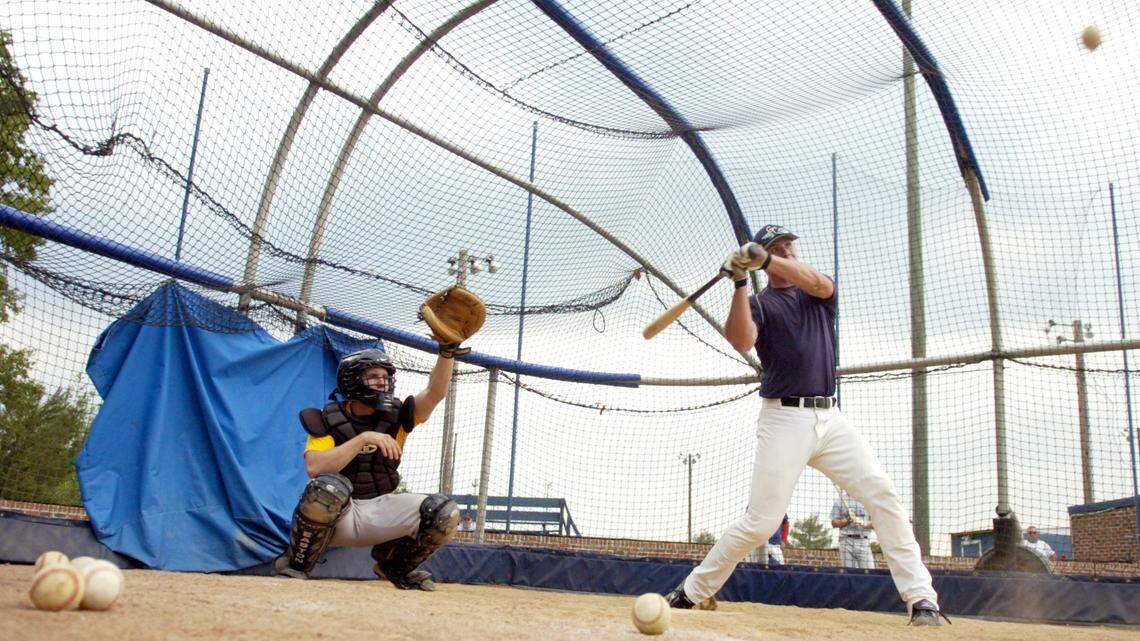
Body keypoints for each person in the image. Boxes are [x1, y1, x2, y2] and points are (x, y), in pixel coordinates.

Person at [663, 225, 946, 626]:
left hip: (830, 418)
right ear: (762, 263)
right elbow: (741, 340)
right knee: (761, 523)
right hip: (784, 419)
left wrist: (763, 258)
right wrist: (740, 282)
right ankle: (691, 592)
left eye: (789, 246)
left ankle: (922, 600)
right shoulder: (760, 304)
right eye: (777, 249)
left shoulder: (816, 292)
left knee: (883, 495)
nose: (788, 253)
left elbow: (816, 281)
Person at [273, 346, 461, 591]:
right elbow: (315, 467)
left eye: (385, 377)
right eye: (373, 376)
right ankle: (297, 564)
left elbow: (435, 393)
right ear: (351, 381)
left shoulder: (399, 415)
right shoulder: (326, 418)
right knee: (327, 487)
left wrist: (447, 353)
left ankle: (394, 567)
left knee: (444, 511)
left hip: (382, 510)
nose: (382, 382)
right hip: (339, 517)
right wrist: (364, 439)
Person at [831, 490, 874, 569]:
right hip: (846, 541)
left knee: (870, 571)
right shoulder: (840, 501)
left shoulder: (868, 500)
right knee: (848, 573)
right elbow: (834, 523)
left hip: (864, 541)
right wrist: (848, 520)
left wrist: (863, 523)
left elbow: (876, 524)